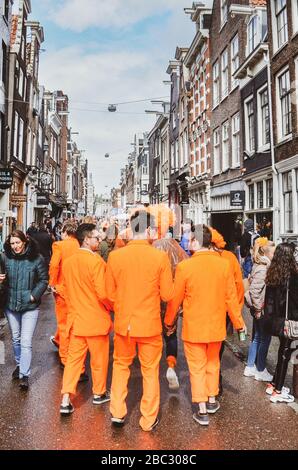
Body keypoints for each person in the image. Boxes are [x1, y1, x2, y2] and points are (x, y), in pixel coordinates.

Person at [165, 225, 246, 426]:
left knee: (197, 367)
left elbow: (175, 299)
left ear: (195, 241)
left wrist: (169, 322)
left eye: (189, 239)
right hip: (216, 326)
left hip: (194, 327)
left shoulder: (185, 267)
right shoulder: (223, 265)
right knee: (213, 363)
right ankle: (211, 400)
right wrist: (239, 323)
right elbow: (231, 298)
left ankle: (201, 409)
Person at [106, 210, 174, 431]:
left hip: (124, 322)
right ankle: (147, 418)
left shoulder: (115, 256)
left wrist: (123, 306)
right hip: (149, 324)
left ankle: (117, 411)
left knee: (120, 366)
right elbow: (166, 294)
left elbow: (109, 293)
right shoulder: (160, 257)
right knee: (150, 370)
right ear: (148, 230)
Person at [60, 224, 112, 415]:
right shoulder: (96, 262)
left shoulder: (69, 262)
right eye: (96, 238)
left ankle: (66, 399)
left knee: (74, 361)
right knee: (98, 360)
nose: (99, 241)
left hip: (76, 320)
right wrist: (112, 307)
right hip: (96, 319)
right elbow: (103, 293)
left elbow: (65, 289)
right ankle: (98, 393)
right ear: (86, 239)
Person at [0, 231, 48, 390]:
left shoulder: (37, 258)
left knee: (26, 341)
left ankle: (24, 375)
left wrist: (34, 295)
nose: (15, 246)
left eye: (18, 243)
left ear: (25, 241)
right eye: (12, 243)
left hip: (30, 306)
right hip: (11, 305)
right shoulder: (5, 257)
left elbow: (43, 280)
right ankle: (20, 364)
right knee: (15, 338)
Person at [209, 228, 244, 395]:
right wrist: (235, 310)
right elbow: (238, 285)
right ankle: (216, 381)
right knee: (218, 344)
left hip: (206, 308)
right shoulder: (230, 258)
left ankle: (207, 385)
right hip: (224, 310)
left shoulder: (201, 258)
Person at [262, 243, 298, 403]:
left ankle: (274, 384)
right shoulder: (293, 276)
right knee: (285, 353)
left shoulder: (273, 273)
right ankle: (278, 390)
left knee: (282, 352)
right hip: (290, 320)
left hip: (275, 320)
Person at [48, 222, 80, 369]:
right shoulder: (80, 245)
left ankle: (65, 358)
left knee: (63, 324)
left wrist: (52, 284)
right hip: (78, 290)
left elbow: (54, 265)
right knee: (73, 322)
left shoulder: (59, 245)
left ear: (65, 232)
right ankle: (58, 340)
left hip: (63, 289)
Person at [243, 238, 275, 382]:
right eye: (273, 252)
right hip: (260, 309)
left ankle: (250, 366)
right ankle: (260, 369)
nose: (274, 255)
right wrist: (257, 309)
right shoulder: (263, 267)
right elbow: (255, 291)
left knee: (257, 338)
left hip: (258, 308)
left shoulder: (260, 264)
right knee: (264, 338)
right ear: (266, 252)